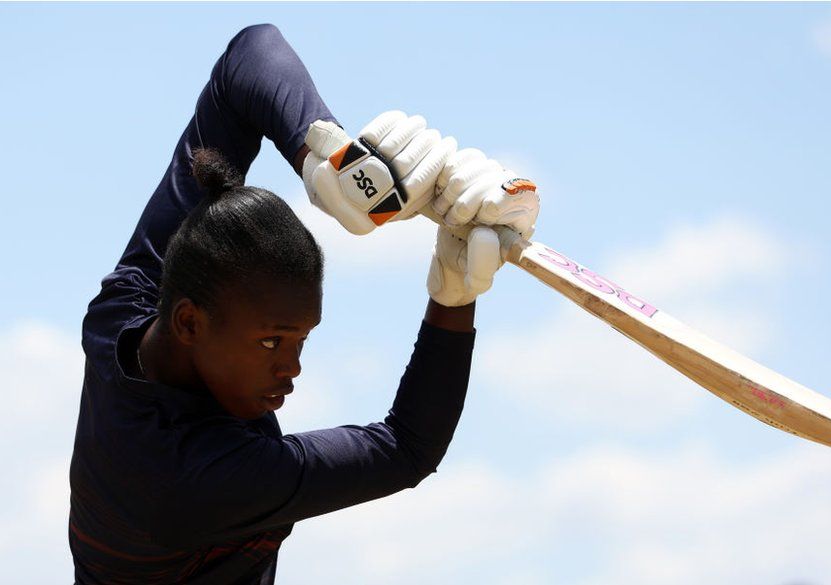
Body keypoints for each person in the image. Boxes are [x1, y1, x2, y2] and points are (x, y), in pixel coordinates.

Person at [69, 24, 539, 584]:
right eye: (272, 340)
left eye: (301, 340)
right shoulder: (194, 479)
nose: (292, 368)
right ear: (190, 322)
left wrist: (331, 160)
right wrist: (455, 295)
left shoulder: (130, 307)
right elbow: (405, 449)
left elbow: (246, 58)